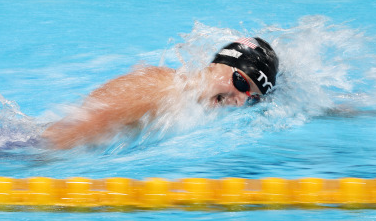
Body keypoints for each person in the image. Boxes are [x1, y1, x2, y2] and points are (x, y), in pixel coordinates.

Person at [41, 37, 279, 149]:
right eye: (240, 82)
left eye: (253, 99)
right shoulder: (161, 90)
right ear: (214, 65)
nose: (240, 101)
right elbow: (66, 135)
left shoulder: (189, 106)